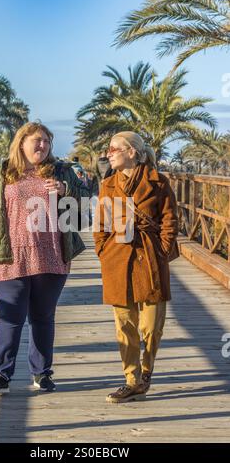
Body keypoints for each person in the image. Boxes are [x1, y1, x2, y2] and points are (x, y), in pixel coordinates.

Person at [0, 121, 89, 394]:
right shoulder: (1, 173)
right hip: (10, 256)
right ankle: (1, 374)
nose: (42, 145)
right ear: (21, 142)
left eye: (46, 141)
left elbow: (86, 200)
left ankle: (42, 373)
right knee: (10, 317)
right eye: (36, 140)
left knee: (43, 317)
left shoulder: (62, 171)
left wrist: (65, 190)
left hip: (52, 255)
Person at [93, 131, 178, 403]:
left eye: (113, 148)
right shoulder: (108, 185)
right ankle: (131, 379)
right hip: (117, 259)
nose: (109, 153)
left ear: (132, 152)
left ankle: (146, 371)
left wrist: (162, 251)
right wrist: (103, 251)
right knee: (124, 324)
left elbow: (170, 222)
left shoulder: (159, 182)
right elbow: (100, 226)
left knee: (151, 326)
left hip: (150, 258)